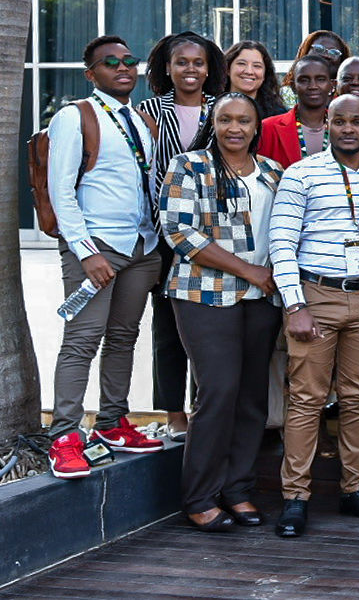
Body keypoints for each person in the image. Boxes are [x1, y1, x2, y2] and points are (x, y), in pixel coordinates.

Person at [268, 93, 359, 538]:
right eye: (340, 121)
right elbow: (281, 245)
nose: (349, 129)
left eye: (358, 121)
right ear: (326, 124)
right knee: (306, 399)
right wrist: (295, 304)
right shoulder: (301, 174)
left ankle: (356, 489)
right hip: (316, 296)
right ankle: (295, 496)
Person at [157, 93, 283, 531]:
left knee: (252, 399)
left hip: (261, 298)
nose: (234, 128)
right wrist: (247, 269)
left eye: (244, 121)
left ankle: (238, 489)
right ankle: (200, 495)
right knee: (219, 391)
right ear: (214, 123)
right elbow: (178, 232)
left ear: (255, 126)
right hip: (203, 294)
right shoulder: (189, 166)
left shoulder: (271, 172)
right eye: (225, 119)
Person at [44, 36, 165, 479]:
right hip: (96, 248)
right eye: (110, 62)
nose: (123, 68)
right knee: (81, 341)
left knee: (123, 338)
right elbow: (61, 192)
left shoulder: (139, 118)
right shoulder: (75, 117)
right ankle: (64, 436)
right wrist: (86, 252)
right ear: (91, 73)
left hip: (141, 247)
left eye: (129, 61)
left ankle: (114, 424)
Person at [137, 31, 226, 442]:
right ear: (167, 67)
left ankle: (202, 406)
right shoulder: (148, 110)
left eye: (198, 62)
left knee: (208, 328)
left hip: (215, 234)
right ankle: (174, 413)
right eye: (182, 62)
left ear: (210, 69)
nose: (191, 70)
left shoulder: (222, 109)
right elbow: (142, 174)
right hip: (163, 234)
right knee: (168, 328)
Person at [261, 55, 336, 169]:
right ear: (293, 86)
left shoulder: (344, 127)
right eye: (304, 80)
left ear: (332, 86)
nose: (313, 86)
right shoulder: (268, 128)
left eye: (320, 79)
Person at [224, 40, 286, 125]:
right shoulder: (210, 108)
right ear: (228, 69)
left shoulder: (278, 116)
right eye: (241, 64)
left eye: (257, 66)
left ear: (265, 74)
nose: (249, 71)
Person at [283, 30, 349, 102]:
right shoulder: (285, 96)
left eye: (334, 52)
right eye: (319, 49)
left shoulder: (348, 98)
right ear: (305, 51)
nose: (326, 55)